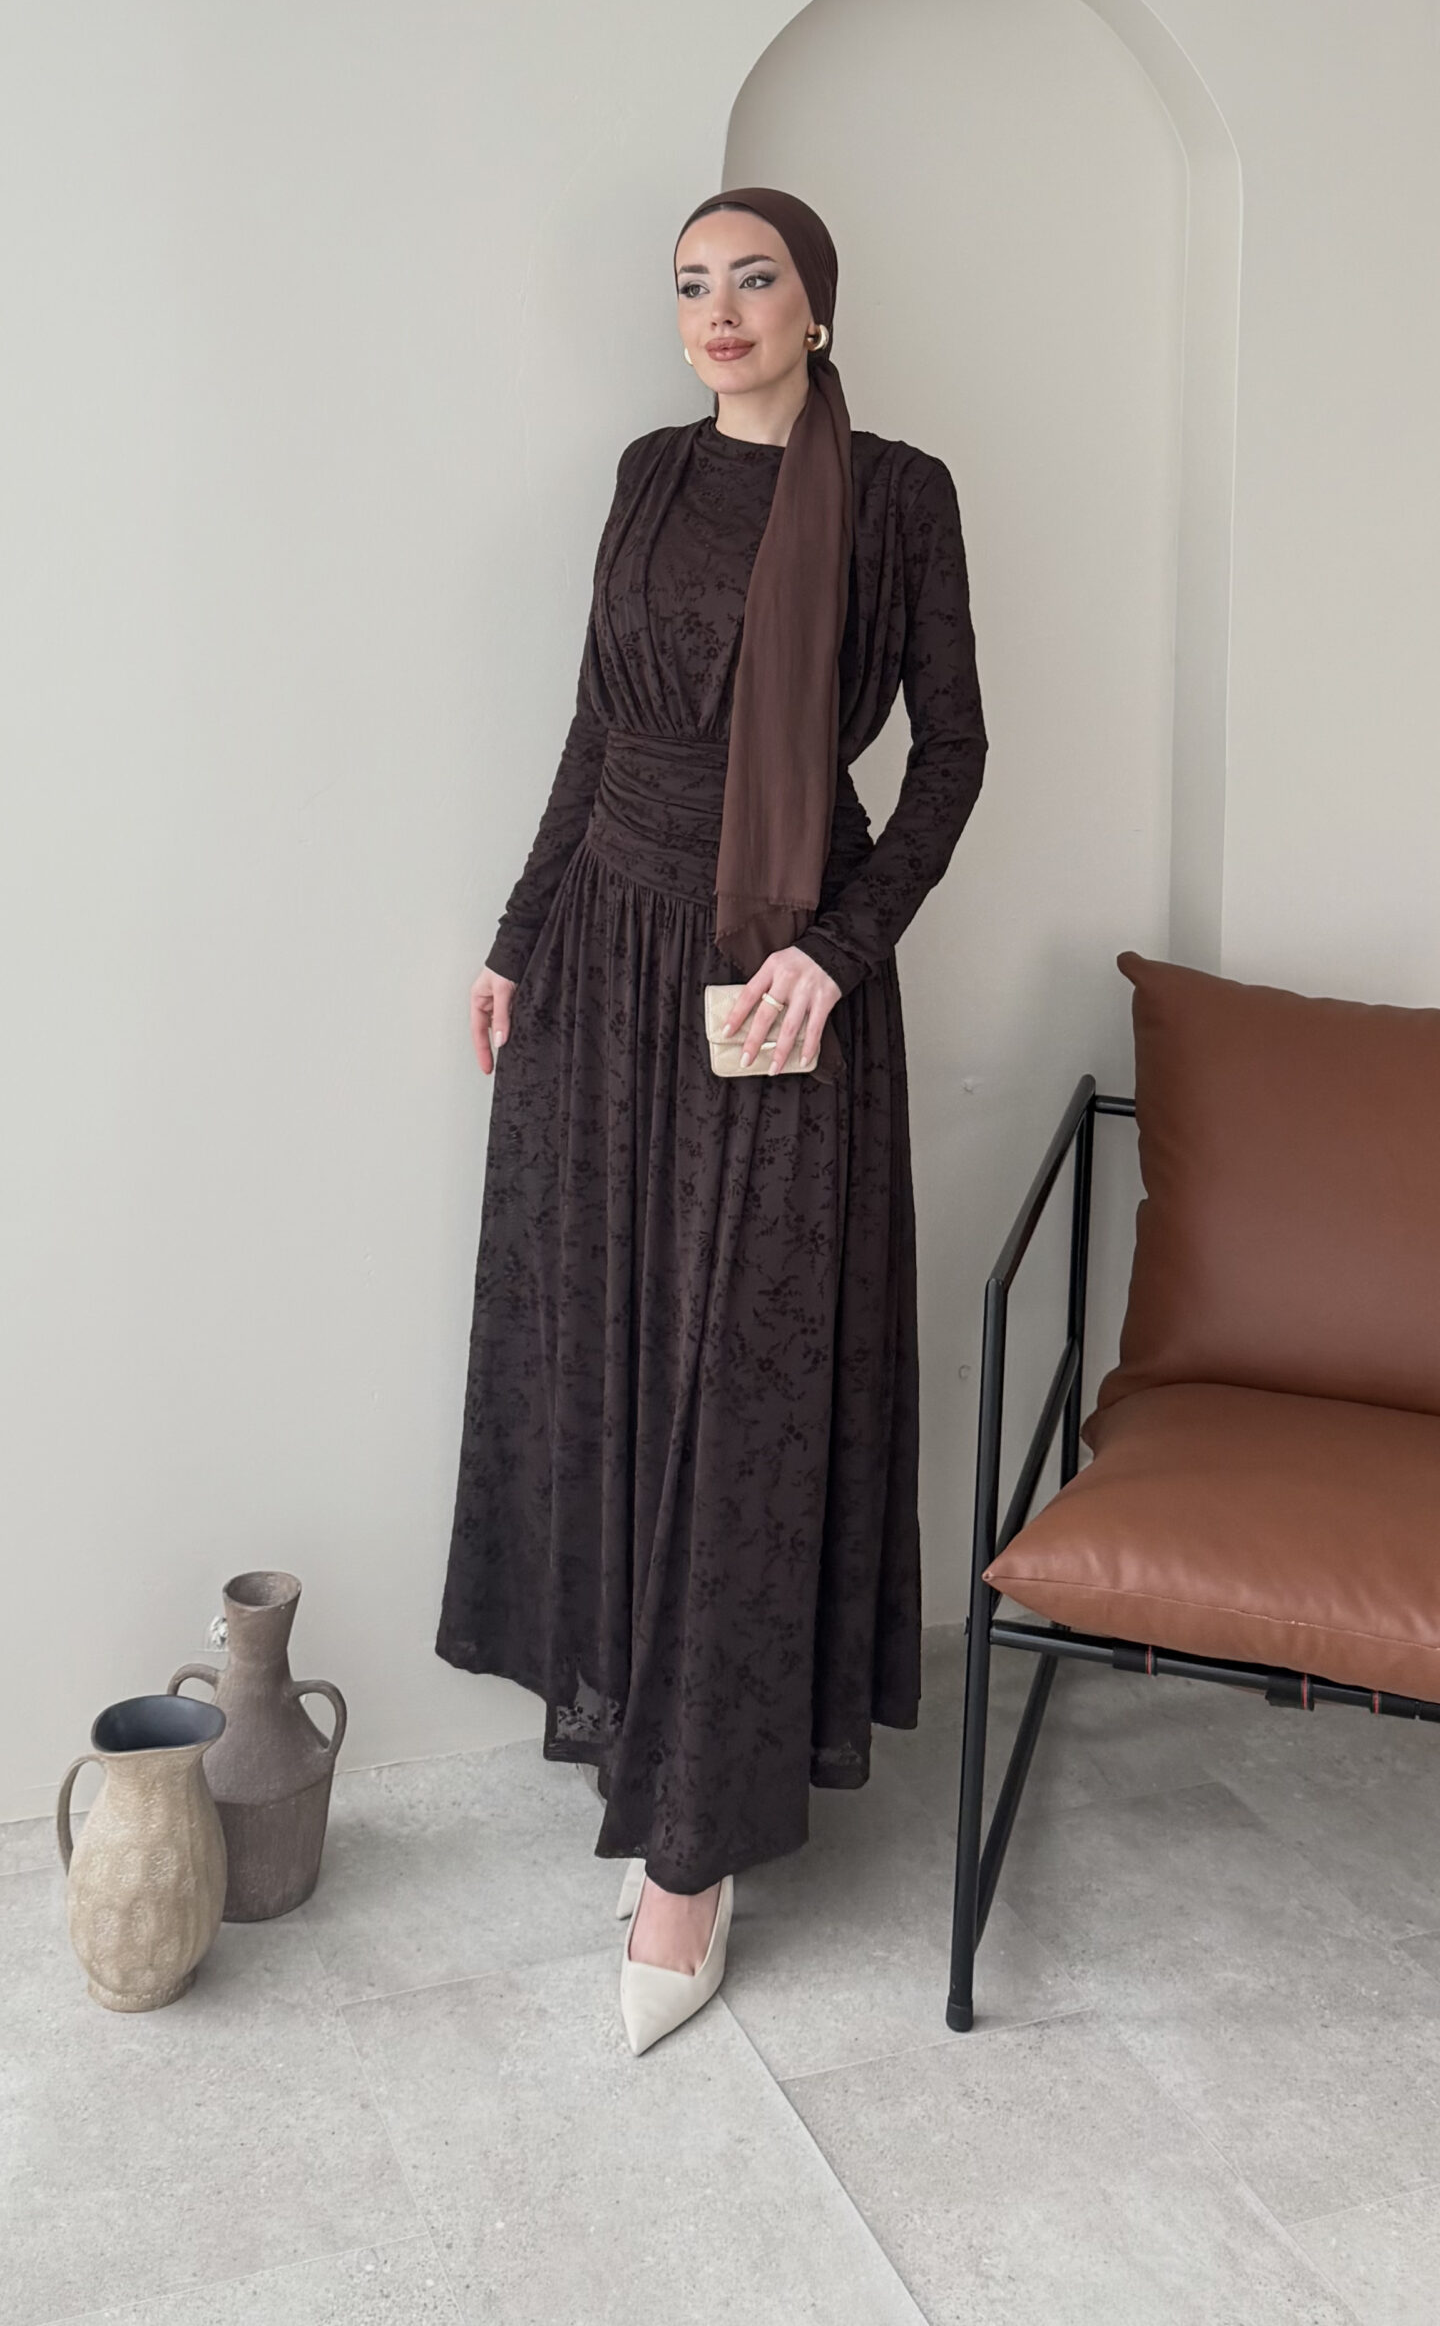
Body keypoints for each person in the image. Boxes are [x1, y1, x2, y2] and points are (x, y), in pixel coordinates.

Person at [435, 186, 987, 2053]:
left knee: (742, 1393)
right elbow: (596, 728)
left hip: (772, 977)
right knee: (620, 1360)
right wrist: (516, 937)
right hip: (606, 956)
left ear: (817, 306)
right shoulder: (649, 476)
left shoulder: (898, 495)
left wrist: (838, 948)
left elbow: (954, 752)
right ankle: (650, 1748)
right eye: (692, 283)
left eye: (755, 278)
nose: (719, 308)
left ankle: (695, 1849)